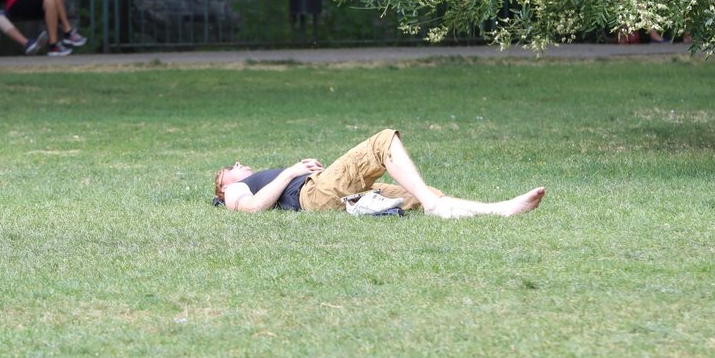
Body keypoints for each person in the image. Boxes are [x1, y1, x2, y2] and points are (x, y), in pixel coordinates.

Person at [214, 129, 546, 218]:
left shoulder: (255, 180)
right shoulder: (234, 190)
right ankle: (434, 205)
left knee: (416, 194)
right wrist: (291, 172)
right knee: (382, 142)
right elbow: (252, 209)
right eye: (232, 167)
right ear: (223, 184)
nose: (239, 164)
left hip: (324, 194)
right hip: (312, 195)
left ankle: (499, 210)